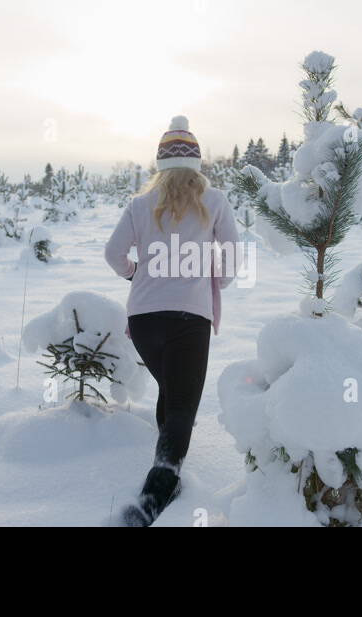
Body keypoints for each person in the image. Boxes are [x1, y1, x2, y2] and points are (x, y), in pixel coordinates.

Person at [105, 116, 241, 527]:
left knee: (173, 391)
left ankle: (168, 466)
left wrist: (136, 274)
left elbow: (114, 255)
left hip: (144, 319)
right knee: (183, 403)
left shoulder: (139, 205)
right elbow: (232, 260)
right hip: (190, 317)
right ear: (196, 165)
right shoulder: (214, 201)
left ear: (159, 166)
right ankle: (156, 491)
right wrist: (211, 277)